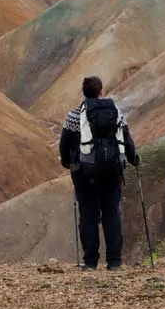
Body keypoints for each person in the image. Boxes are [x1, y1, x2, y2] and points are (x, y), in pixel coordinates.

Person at [59, 76, 139, 270]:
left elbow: (64, 143)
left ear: (84, 92)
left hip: (83, 173)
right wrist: (133, 158)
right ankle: (114, 262)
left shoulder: (74, 115)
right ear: (101, 91)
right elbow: (126, 138)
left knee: (88, 214)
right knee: (111, 213)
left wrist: (67, 162)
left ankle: (90, 262)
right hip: (112, 171)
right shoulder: (116, 112)